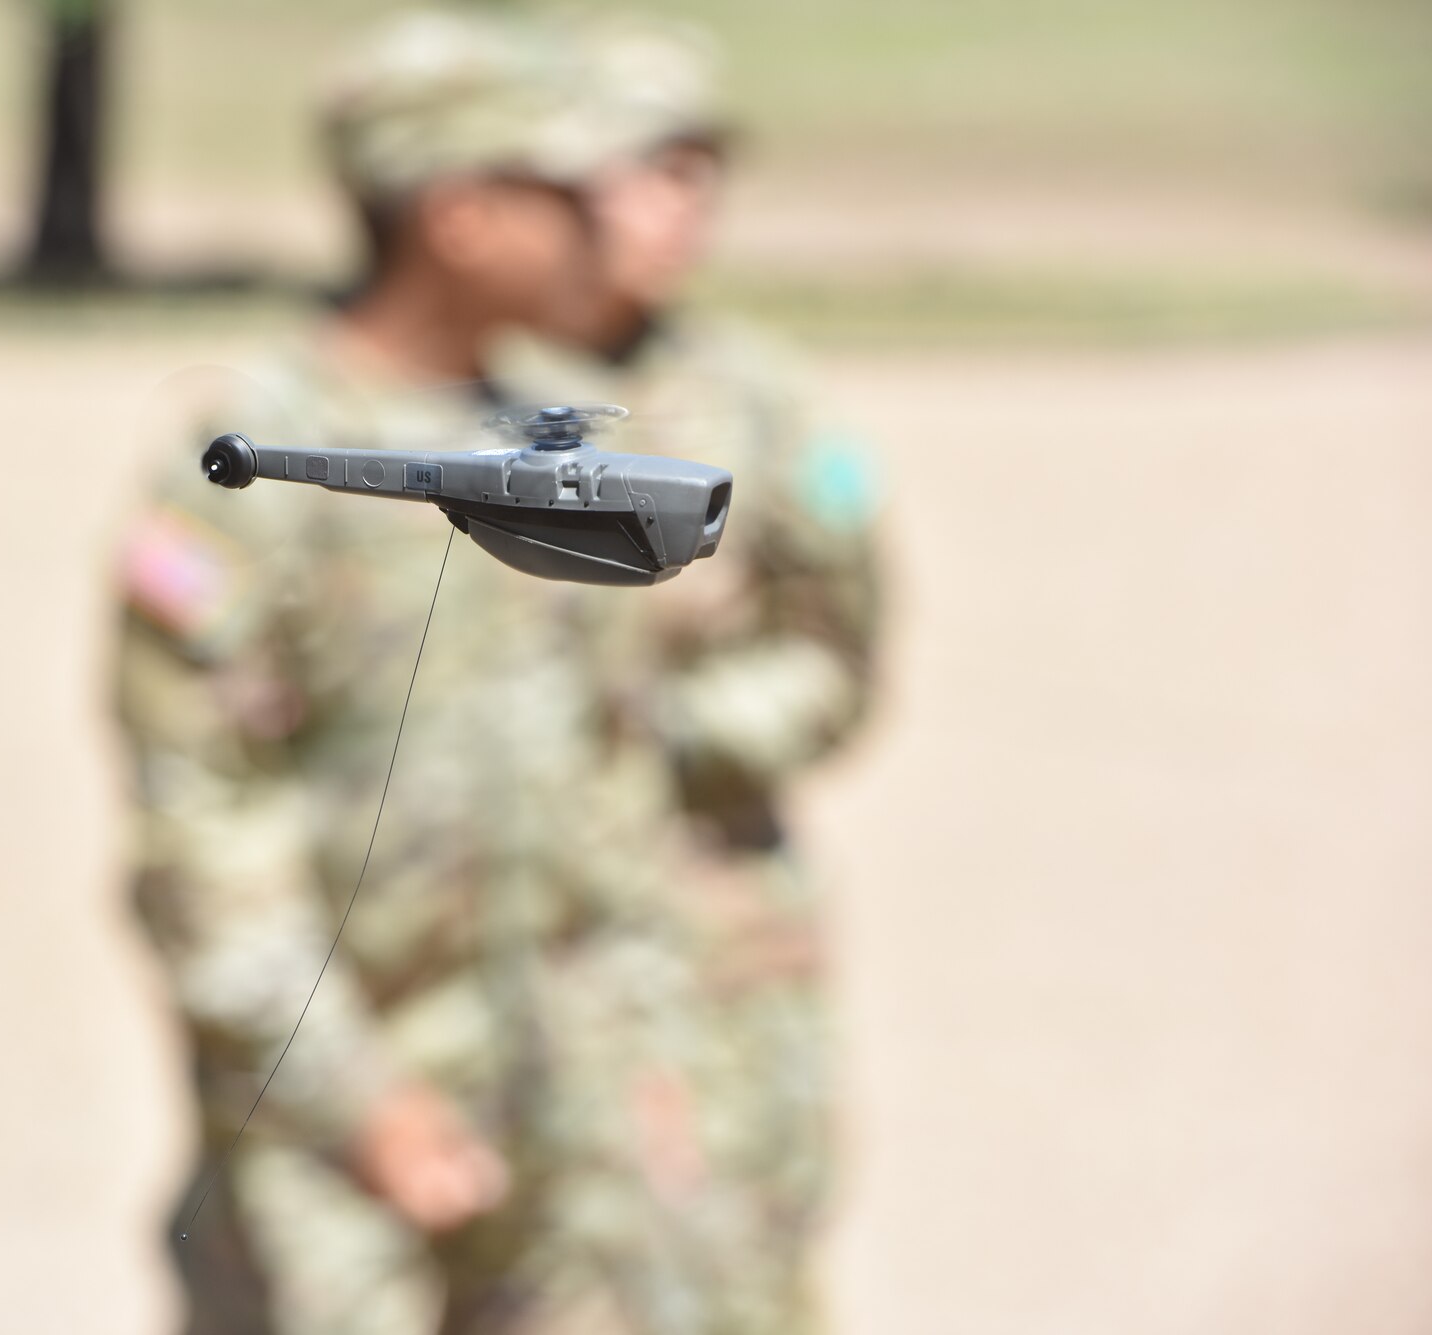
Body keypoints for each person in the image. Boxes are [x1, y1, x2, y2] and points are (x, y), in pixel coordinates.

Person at [114, 12, 715, 1333]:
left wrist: (649, 1063)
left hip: (560, 1123)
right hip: (335, 1144)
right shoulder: (255, 469)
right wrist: (361, 1104)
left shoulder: (563, 451)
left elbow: (614, 784)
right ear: (458, 216)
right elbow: (202, 840)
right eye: (562, 197)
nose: (603, 228)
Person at [495, 19, 887, 1333]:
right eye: (649, 173)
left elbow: (836, 659)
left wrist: (681, 727)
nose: (685, 209)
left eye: (699, 174)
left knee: (734, 1271)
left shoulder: (761, 404)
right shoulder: (474, 399)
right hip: (508, 927)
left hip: (708, 927)